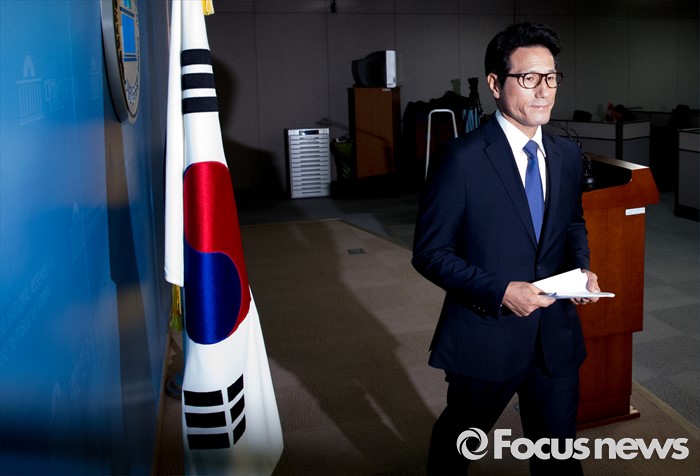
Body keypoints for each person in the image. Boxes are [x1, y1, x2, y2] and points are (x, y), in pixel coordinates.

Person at [412, 22, 600, 475]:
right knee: (459, 445)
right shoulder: (461, 158)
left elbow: (572, 224)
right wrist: (501, 291)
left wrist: (581, 270)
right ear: (495, 84)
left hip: (554, 336)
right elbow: (431, 253)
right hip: (486, 334)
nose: (544, 91)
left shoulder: (566, 154)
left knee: (558, 456)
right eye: (529, 78)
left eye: (551, 77)